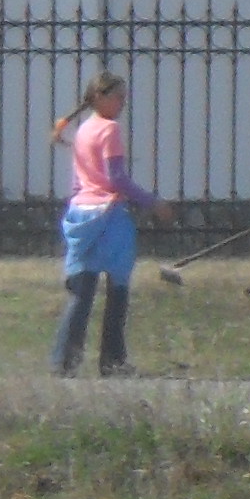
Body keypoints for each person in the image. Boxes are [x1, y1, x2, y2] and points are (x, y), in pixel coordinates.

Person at [52, 74, 166, 378]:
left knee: (82, 291)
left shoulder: (83, 130)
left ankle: (65, 361)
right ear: (100, 97)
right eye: (118, 97)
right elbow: (117, 178)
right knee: (118, 289)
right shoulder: (110, 129)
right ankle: (112, 361)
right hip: (109, 216)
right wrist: (151, 201)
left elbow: (79, 180)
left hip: (81, 214)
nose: (122, 104)